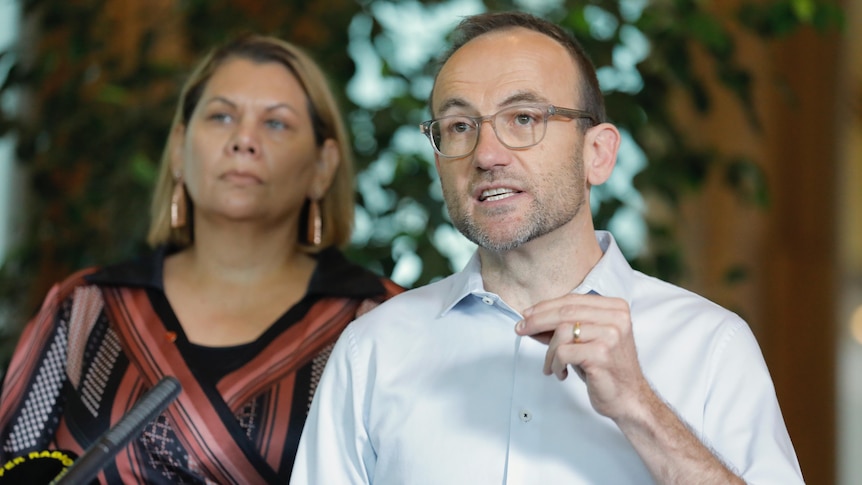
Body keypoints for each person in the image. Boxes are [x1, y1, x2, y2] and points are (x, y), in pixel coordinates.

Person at [291, 11, 803, 485]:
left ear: (597, 154)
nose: (487, 155)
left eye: (524, 118)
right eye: (460, 127)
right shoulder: (373, 350)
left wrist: (639, 407)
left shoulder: (710, 345)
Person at [0, 34, 402, 484]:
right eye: (222, 116)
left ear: (323, 166)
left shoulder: (385, 321)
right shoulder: (84, 309)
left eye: (276, 124)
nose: (244, 140)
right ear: (178, 149)